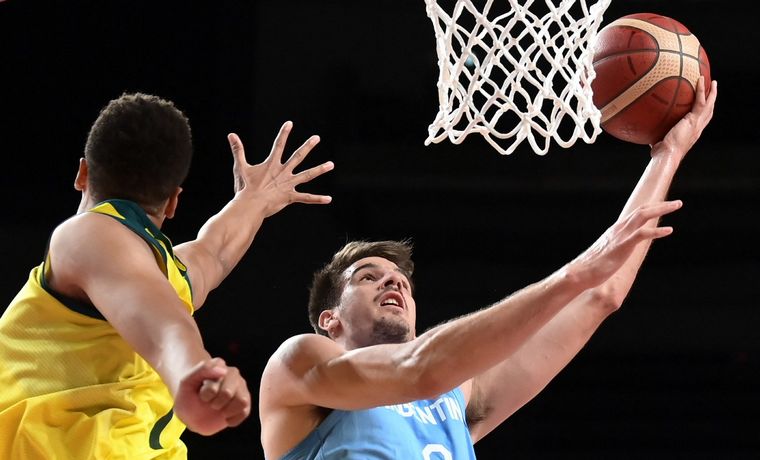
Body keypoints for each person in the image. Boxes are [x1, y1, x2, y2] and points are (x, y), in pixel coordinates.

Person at [259, 76, 718, 459]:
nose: (393, 280)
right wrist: (575, 272)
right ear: (329, 319)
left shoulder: (457, 395)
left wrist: (667, 156)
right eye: (367, 277)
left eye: (401, 280)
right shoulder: (299, 364)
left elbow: (602, 295)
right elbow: (420, 368)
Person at [0, 93, 334, 459]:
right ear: (173, 201)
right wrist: (253, 200)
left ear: (82, 174)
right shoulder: (173, 277)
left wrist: (194, 371)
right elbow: (212, 253)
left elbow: (166, 327)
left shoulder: (86, 234)